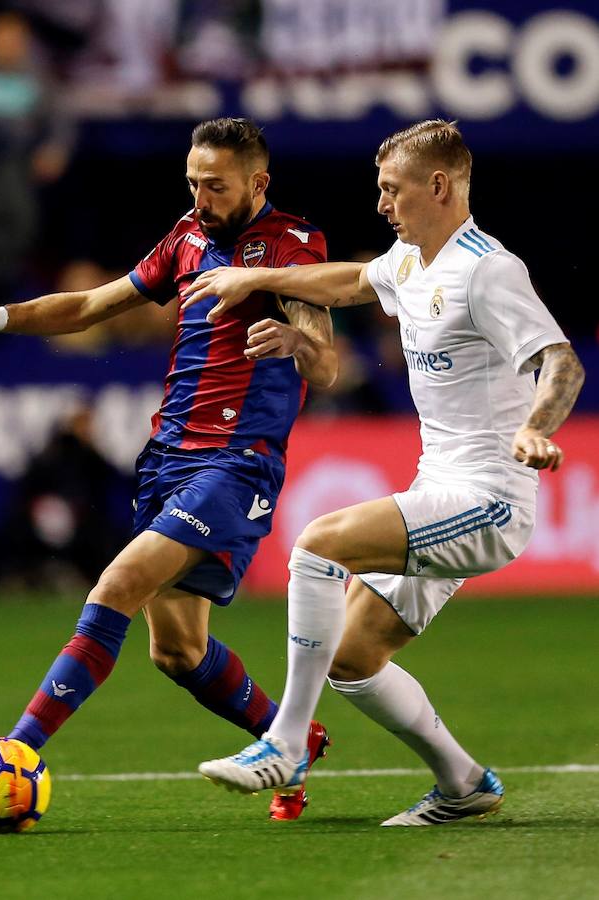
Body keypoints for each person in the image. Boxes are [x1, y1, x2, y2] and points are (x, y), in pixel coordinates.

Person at [0, 117, 338, 821]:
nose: (201, 197)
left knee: (115, 582)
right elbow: (89, 305)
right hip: (166, 459)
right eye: (192, 182)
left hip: (236, 463)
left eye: (216, 185)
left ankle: (17, 753)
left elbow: (327, 366)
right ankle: (292, 740)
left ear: (257, 183)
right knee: (177, 652)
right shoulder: (186, 238)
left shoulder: (293, 248)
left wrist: (298, 338)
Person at [185, 119, 585, 826]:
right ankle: (464, 785)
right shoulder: (407, 260)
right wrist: (262, 276)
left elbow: (560, 361)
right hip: (438, 489)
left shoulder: (488, 269)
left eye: (391, 190)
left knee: (317, 543)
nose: (380, 204)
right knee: (350, 654)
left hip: (489, 496)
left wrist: (534, 427)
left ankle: (284, 742)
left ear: (438, 186)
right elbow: (345, 283)